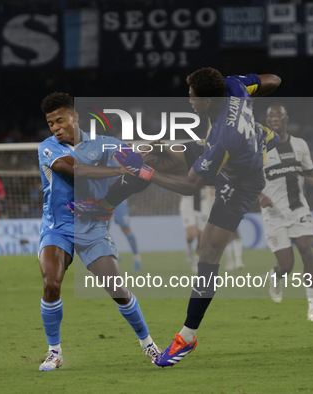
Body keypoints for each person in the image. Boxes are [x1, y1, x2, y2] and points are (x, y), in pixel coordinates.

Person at [113, 67, 281, 367]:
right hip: (230, 151)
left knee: (208, 255)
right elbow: (274, 80)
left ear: (206, 100)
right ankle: (103, 205)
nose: (189, 100)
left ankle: (187, 337)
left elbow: (191, 186)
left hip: (239, 181)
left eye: (192, 95)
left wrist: (147, 175)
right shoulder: (233, 87)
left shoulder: (222, 136)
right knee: (158, 154)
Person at [37, 92, 161, 371]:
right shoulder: (48, 148)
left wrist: (144, 155)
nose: (55, 127)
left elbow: (133, 158)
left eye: (60, 120)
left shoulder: (103, 144)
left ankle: (148, 344)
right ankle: (54, 352)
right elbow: (75, 170)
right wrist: (120, 169)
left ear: (75, 116)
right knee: (51, 283)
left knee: (117, 289)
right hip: (59, 227)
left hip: (93, 227)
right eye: (50, 123)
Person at [259, 103, 313, 322]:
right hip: (274, 215)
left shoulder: (300, 145)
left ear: (286, 118)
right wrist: (258, 197)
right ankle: (276, 274)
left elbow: (308, 172)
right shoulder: (258, 147)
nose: (274, 119)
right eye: (270, 117)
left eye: (278, 116)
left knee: (307, 251)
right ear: (267, 120)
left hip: (299, 208)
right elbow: (246, 179)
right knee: (287, 266)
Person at [179, 186, 211, 273]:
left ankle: (196, 261)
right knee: (192, 235)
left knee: (202, 236)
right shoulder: (186, 172)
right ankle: (189, 247)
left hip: (202, 202)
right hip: (188, 202)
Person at [110, 197, 142, 272]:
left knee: (126, 229)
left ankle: (136, 257)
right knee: (102, 228)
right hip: (103, 198)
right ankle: (114, 252)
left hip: (119, 199)